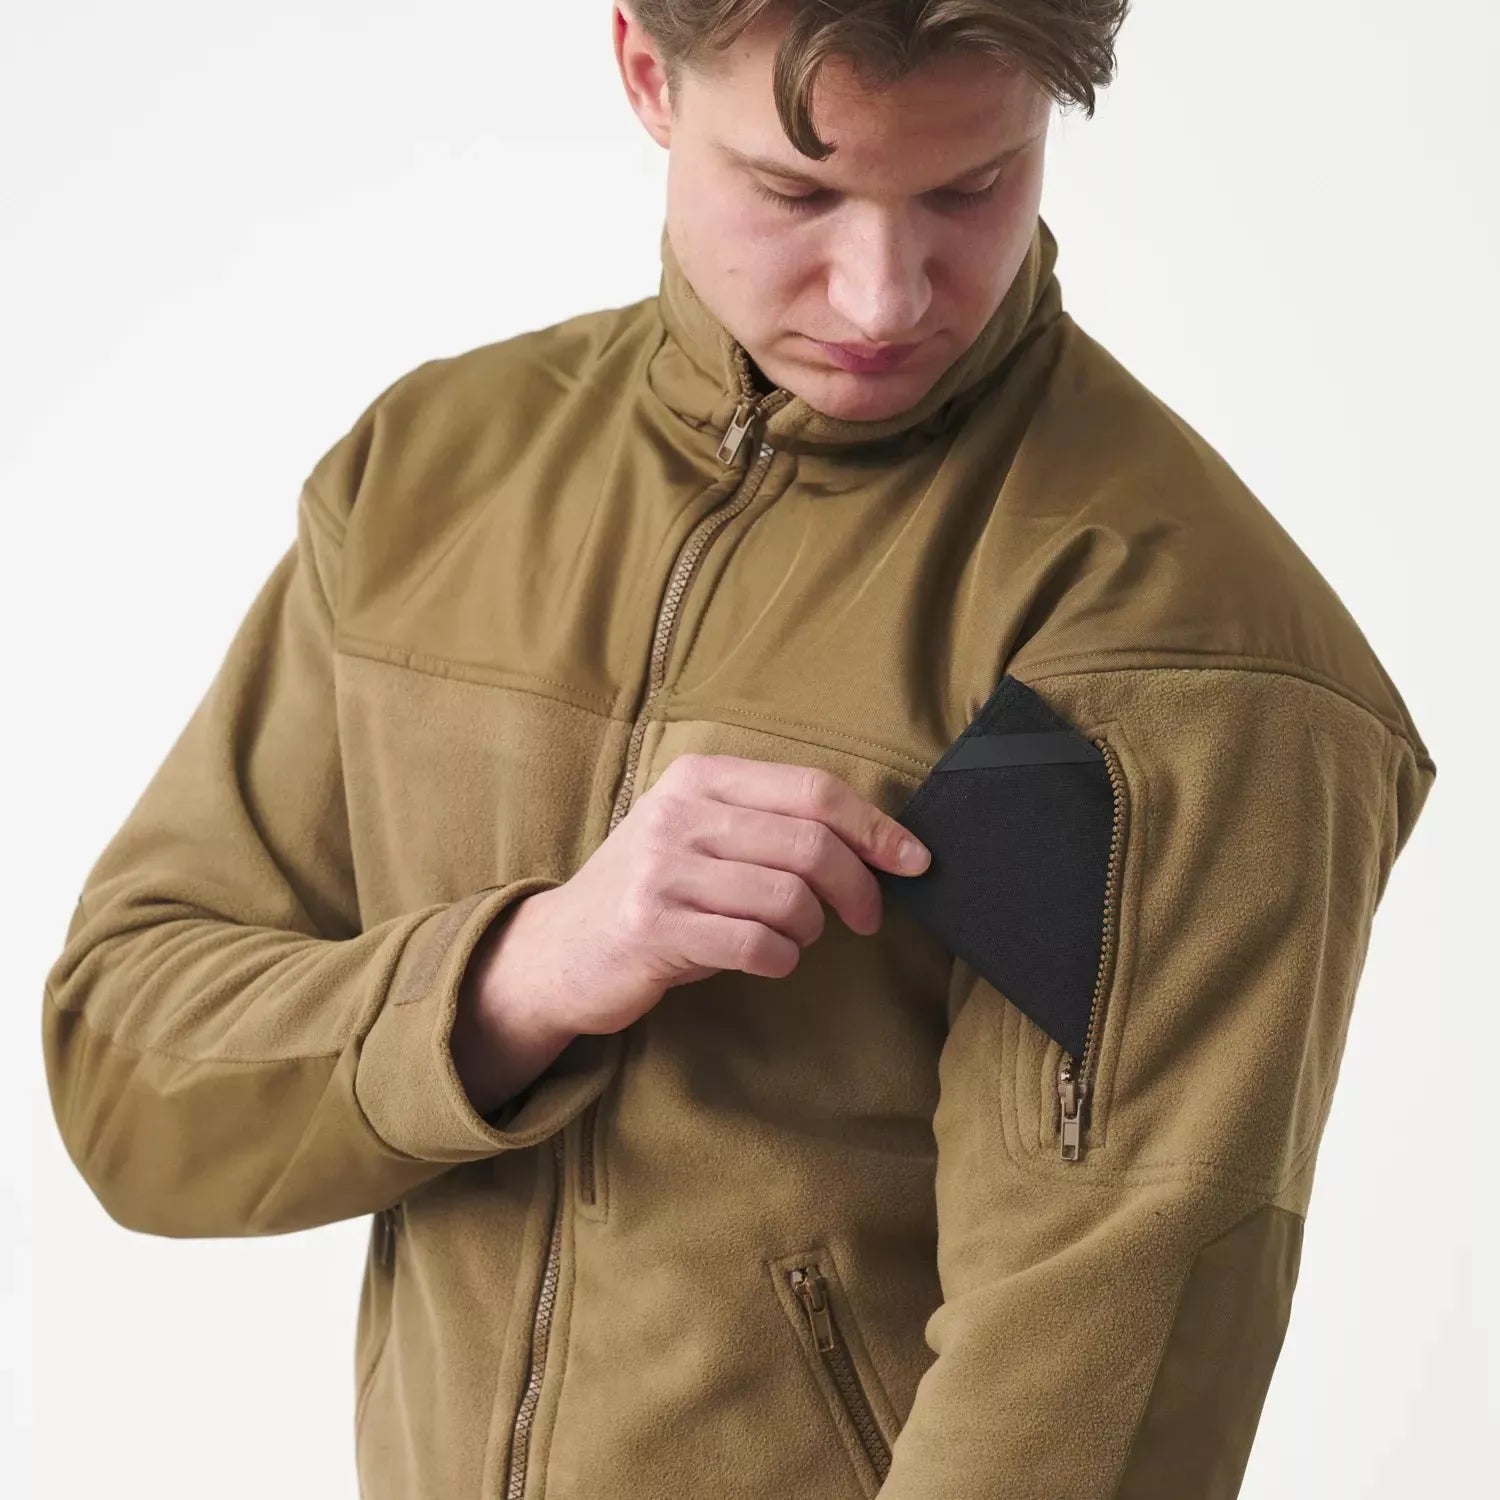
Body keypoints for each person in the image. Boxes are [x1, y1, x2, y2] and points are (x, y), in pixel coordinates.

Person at [40, 3, 1437, 1497]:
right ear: (647, 72)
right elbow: (132, 1069)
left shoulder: (1157, 640)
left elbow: (1091, 1356)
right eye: (797, 190)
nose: (884, 294)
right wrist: (521, 975)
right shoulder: (427, 477)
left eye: (972, 186)